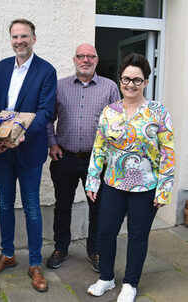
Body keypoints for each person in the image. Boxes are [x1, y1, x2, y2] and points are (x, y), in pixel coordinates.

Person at [86, 53, 175, 302]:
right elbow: (99, 148)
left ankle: (130, 283)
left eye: (137, 80)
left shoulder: (158, 112)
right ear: (120, 79)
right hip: (113, 183)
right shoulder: (109, 111)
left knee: (137, 236)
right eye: (126, 79)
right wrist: (92, 180)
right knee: (105, 232)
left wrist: (164, 189)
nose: (130, 85)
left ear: (146, 82)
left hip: (146, 187)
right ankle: (106, 277)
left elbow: (168, 152)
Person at [0, 19, 57, 292]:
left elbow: (45, 111)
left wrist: (20, 135)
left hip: (28, 149)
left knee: (32, 207)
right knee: (5, 204)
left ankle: (35, 263)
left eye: (24, 36)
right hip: (2, 150)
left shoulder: (45, 70)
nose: (19, 41)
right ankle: (8, 254)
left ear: (33, 38)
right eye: (15, 37)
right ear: (10, 39)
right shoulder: (2, 67)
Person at [46, 44, 120, 272]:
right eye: (81, 56)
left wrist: (110, 155)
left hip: (97, 161)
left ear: (97, 60)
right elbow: (48, 118)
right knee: (62, 206)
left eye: (90, 56)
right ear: (74, 59)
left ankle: (95, 250)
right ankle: (61, 248)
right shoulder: (60, 86)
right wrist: (52, 143)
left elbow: (118, 124)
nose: (85, 60)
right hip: (64, 157)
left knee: (97, 207)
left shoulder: (109, 87)